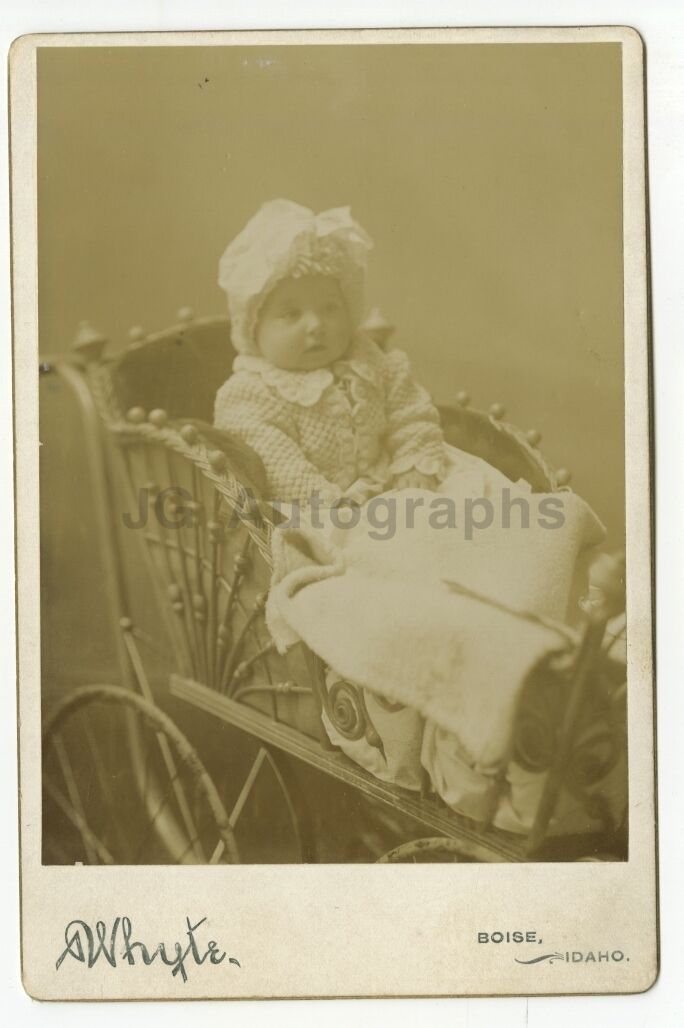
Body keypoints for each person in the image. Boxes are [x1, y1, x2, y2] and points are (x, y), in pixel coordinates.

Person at [213, 198, 448, 508]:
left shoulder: (371, 361)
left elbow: (411, 414)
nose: (316, 325)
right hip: (310, 510)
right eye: (291, 314)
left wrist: (415, 463)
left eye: (329, 307)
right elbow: (277, 465)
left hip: (392, 486)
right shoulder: (249, 395)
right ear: (254, 329)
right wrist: (328, 502)